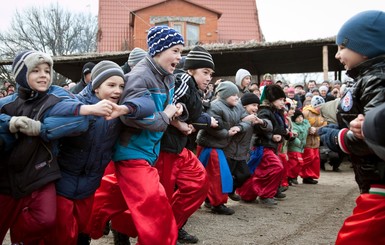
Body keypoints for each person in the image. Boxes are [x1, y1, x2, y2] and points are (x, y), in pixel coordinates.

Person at [85, 25, 185, 245]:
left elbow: (168, 105)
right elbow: (134, 117)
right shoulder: (139, 76)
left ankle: (89, 223)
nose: (180, 57)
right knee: (155, 204)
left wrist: (177, 110)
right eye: (176, 50)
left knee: (115, 196)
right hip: (131, 151)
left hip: (148, 150)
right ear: (159, 49)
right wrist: (167, 116)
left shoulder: (167, 75)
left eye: (181, 51)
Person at [0, 50, 108, 244]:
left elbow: (78, 119)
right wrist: (11, 122)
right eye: (35, 71)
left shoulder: (55, 94)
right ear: (21, 75)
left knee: (46, 219)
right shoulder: (7, 104)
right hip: (6, 178)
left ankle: (20, 239)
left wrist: (40, 127)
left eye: (47, 71)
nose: (43, 75)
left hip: (42, 173)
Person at [42, 60, 154, 245]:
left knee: (83, 228)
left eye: (121, 86)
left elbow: (147, 104)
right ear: (95, 87)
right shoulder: (78, 102)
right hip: (64, 179)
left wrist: (125, 109)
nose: (117, 91)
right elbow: (52, 111)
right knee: (62, 231)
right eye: (111, 85)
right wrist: (87, 113)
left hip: (91, 181)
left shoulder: (117, 109)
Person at [314, 10, 385, 244]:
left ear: (366, 46)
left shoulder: (377, 79)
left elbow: (377, 135)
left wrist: (335, 138)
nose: (337, 55)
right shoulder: (366, 78)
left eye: (342, 46)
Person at [154, 45, 219, 243]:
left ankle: (173, 225)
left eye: (211, 74)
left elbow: (194, 115)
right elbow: (168, 105)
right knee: (160, 197)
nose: (209, 78)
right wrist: (180, 123)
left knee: (199, 183)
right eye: (205, 72)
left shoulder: (196, 89)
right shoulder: (183, 80)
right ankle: (158, 231)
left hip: (178, 147)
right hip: (165, 148)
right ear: (191, 70)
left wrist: (196, 123)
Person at [196, 81, 251, 214]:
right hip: (210, 146)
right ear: (225, 95)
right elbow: (211, 127)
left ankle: (211, 200)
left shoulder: (237, 106)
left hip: (220, 146)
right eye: (233, 95)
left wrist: (239, 127)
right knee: (217, 176)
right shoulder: (214, 107)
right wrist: (227, 133)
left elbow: (247, 120)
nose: (237, 98)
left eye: (237, 95)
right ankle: (217, 204)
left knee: (216, 176)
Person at [237, 85, 290, 206]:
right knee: (275, 168)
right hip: (261, 146)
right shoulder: (265, 111)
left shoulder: (275, 111)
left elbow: (277, 128)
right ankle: (266, 194)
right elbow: (260, 128)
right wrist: (271, 136)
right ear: (272, 99)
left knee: (259, 171)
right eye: (280, 99)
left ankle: (247, 194)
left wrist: (286, 133)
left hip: (268, 146)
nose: (283, 102)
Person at [301, 95, 326, 184]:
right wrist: (309, 129)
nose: (321, 108)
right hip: (307, 140)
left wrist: (317, 130)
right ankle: (299, 173)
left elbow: (325, 124)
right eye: (319, 106)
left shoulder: (323, 113)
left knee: (314, 159)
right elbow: (302, 124)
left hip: (316, 140)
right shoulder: (306, 112)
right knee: (308, 157)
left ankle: (309, 176)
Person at [287, 110, 310, 185]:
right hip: (294, 147)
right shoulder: (294, 126)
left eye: (301, 116)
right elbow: (293, 137)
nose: (300, 119)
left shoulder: (304, 124)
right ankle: (290, 177)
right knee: (294, 163)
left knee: (298, 164)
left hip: (301, 148)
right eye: (297, 117)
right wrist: (299, 143)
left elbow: (307, 124)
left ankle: (293, 177)